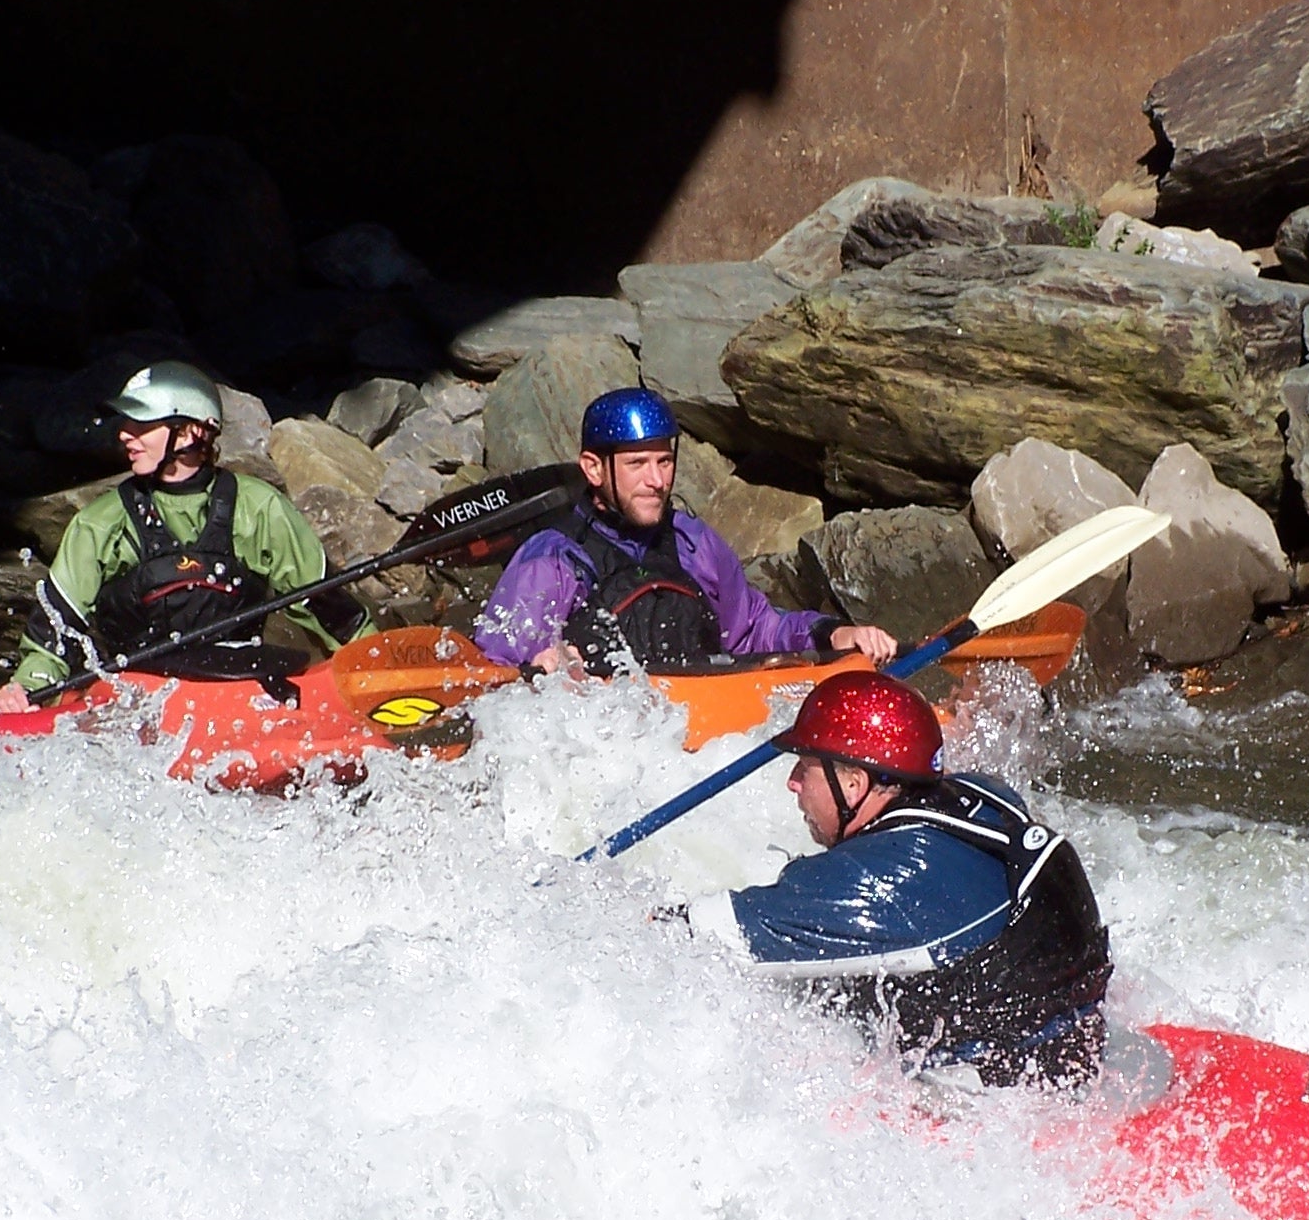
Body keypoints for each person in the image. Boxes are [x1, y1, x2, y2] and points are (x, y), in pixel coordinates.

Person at [689, 672, 1113, 1090]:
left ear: (854, 785)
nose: (793, 783)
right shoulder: (985, 795)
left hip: (1000, 1098)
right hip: (1079, 1037)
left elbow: (697, 936)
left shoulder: (876, 880)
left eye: (805, 767)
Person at [0, 362, 370, 712]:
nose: (124, 435)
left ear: (192, 432)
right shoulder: (100, 524)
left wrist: (379, 667)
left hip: (243, 693)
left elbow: (331, 613)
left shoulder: (259, 510)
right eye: (126, 423)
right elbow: (54, 633)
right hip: (140, 702)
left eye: (142, 424)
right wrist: (25, 689)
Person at [473, 387, 898, 675]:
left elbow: (753, 631)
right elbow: (491, 675)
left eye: (664, 461)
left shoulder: (693, 543)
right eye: (637, 465)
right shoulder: (553, 559)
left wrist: (833, 633)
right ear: (593, 468)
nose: (657, 480)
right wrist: (538, 669)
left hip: (695, 736)